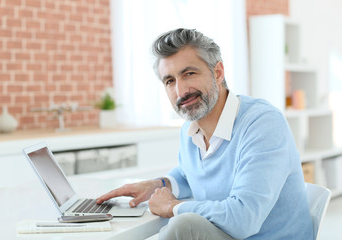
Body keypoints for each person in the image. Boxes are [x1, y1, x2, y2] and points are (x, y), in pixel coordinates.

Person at [97, 28, 313, 240]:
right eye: (170, 81)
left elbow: (243, 218)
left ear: (218, 72)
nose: (181, 91)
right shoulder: (190, 128)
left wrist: (173, 207)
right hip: (227, 234)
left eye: (189, 73)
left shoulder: (262, 124)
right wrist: (157, 185)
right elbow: (189, 174)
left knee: (184, 224)